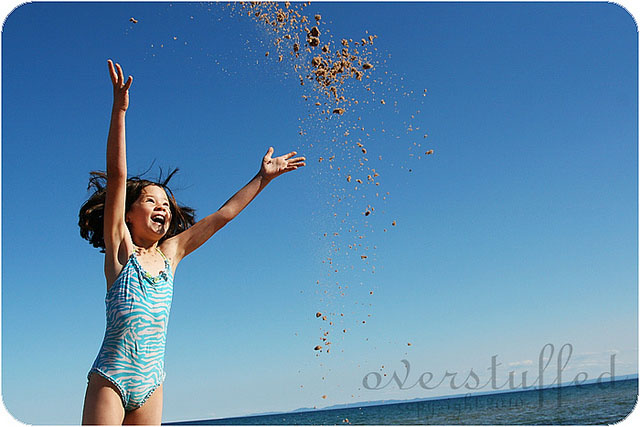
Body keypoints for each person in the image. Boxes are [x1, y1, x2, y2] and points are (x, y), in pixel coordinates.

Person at [78, 60, 306, 425]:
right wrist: (119, 111)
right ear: (129, 214)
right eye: (151, 201)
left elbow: (222, 216)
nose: (161, 208)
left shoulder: (171, 253)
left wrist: (262, 178)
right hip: (112, 377)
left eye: (166, 205)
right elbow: (118, 176)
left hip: (152, 383)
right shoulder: (121, 249)